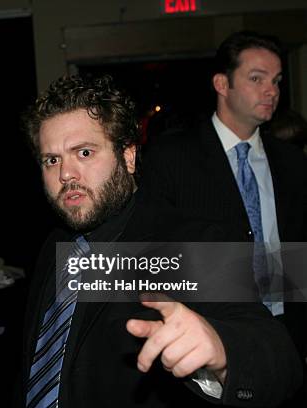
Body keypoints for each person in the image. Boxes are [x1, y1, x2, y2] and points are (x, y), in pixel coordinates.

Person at [16, 74, 302, 407]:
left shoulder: (190, 241)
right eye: (52, 160)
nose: (65, 174)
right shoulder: (54, 245)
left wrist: (222, 350)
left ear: (128, 157)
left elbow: (282, 364)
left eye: (84, 152)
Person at [141, 31, 307, 405]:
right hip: (212, 335)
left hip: (285, 333)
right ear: (222, 83)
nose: (271, 90)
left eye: (277, 81)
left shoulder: (292, 162)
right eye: (257, 78)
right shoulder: (172, 158)